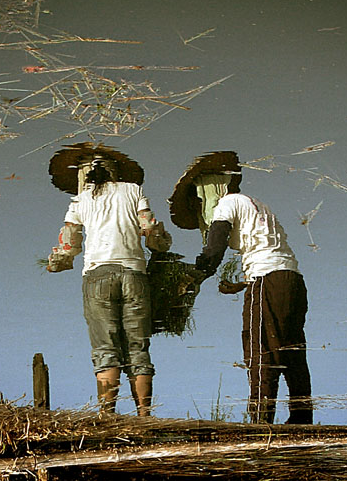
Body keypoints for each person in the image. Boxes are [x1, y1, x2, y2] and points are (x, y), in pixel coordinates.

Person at [168, 151, 313, 425]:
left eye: (201, 199)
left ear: (211, 190)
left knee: (260, 349)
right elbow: (268, 251)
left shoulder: (225, 205)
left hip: (267, 282)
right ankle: (302, 418)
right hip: (291, 281)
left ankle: (260, 422)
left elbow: (214, 249)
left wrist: (194, 277)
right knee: (292, 349)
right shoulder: (256, 206)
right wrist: (238, 285)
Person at [46, 142, 172, 417]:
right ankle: (144, 414)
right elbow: (149, 229)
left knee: (105, 347)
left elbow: (69, 244)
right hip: (134, 274)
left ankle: (107, 414)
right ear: (116, 172)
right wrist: (161, 244)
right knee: (138, 345)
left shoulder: (80, 200)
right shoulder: (133, 190)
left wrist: (57, 263)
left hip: (97, 275)